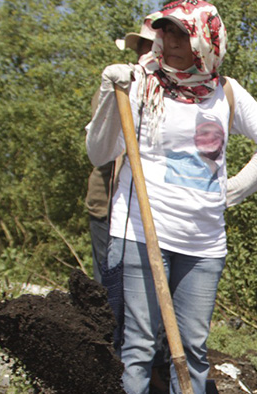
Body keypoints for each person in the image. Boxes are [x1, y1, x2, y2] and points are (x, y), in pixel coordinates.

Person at [85, 0, 257, 394]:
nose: (170, 44)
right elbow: (99, 151)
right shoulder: (139, 84)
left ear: (204, 41)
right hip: (140, 231)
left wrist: (234, 188)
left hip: (203, 241)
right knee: (137, 343)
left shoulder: (226, 93)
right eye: (164, 33)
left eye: (181, 35)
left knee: (192, 346)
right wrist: (111, 95)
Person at [85, 19, 156, 282]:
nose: (145, 54)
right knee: (107, 285)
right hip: (109, 202)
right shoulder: (116, 86)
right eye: (142, 47)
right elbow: (101, 143)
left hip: (156, 206)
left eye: (151, 47)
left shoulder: (177, 93)